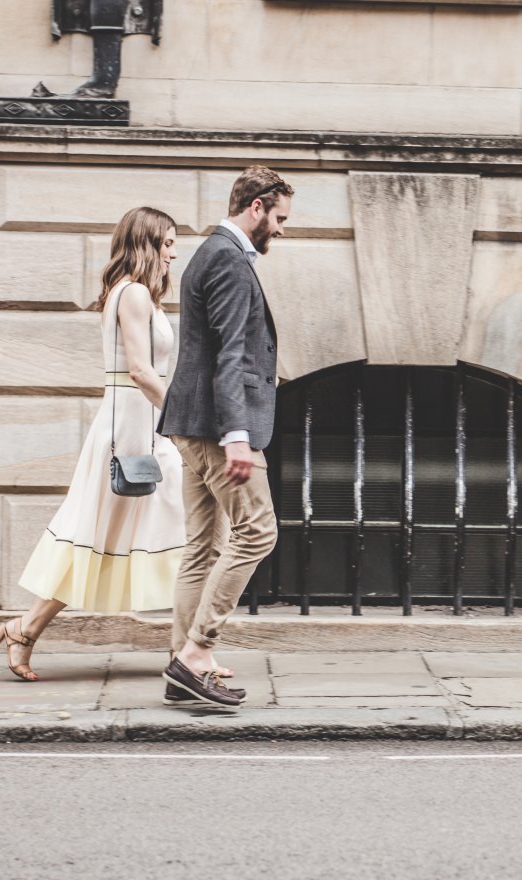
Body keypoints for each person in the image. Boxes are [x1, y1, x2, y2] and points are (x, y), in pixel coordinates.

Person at [0, 206, 186, 681]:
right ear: (147, 244)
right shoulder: (134, 294)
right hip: (134, 431)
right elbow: (139, 371)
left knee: (135, 535)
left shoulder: (129, 292)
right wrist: (183, 419)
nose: (174, 254)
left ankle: (191, 649)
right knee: (110, 536)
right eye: (168, 244)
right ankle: (193, 652)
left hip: (138, 426)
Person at [159, 166, 294, 707]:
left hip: (190, 425)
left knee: (203, 548)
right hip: (218, 429)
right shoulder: (230, 262)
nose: (282, 230)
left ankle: (182, 664)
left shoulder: (209, 254)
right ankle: (196, 652)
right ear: (256, 207)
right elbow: (231, 355)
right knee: (258, 532)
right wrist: (237, 435)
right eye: (280, 218)